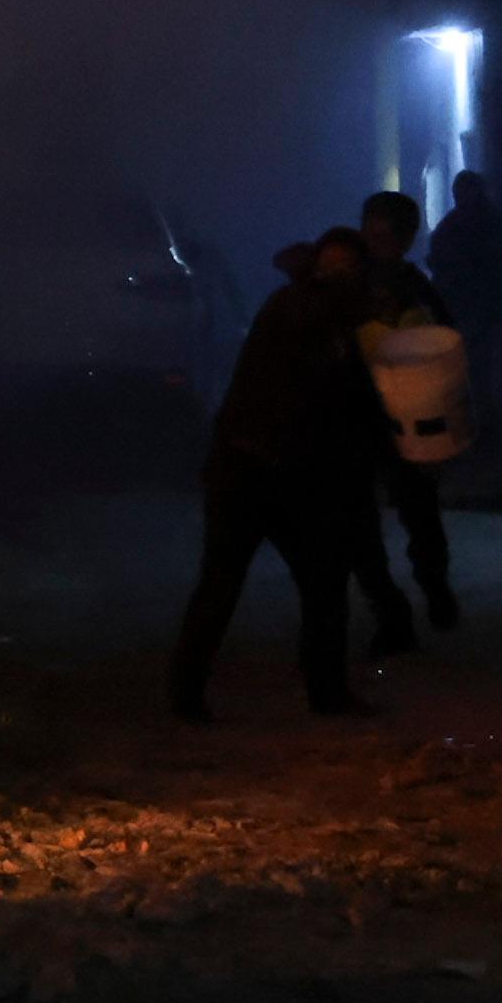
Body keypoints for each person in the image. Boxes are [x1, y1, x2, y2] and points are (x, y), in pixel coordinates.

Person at [167, 227, 384, 722]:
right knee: (258, 583)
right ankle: (316, 694)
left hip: (263, 467)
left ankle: (195, 696)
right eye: (338, 269)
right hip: (260, 469)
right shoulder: (307, 310)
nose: (343, 278)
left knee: (295, 584)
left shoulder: (312, 312)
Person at [350, 189, 458, 652]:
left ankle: (432, 592)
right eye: (373, 232)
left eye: (389, 233)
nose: (381, 241)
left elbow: (446, 355)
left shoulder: (416, 289)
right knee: (358, 525)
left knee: (419, 515)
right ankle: (392, 614)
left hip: (405, 424)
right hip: (357, 422)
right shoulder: (347, 287)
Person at [426, 169, 502, 420]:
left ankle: (476, 416)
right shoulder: (475, 223)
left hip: (473, 306)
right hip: (468, 306)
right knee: (475, 365)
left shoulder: (461, 225)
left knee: (476, 365)